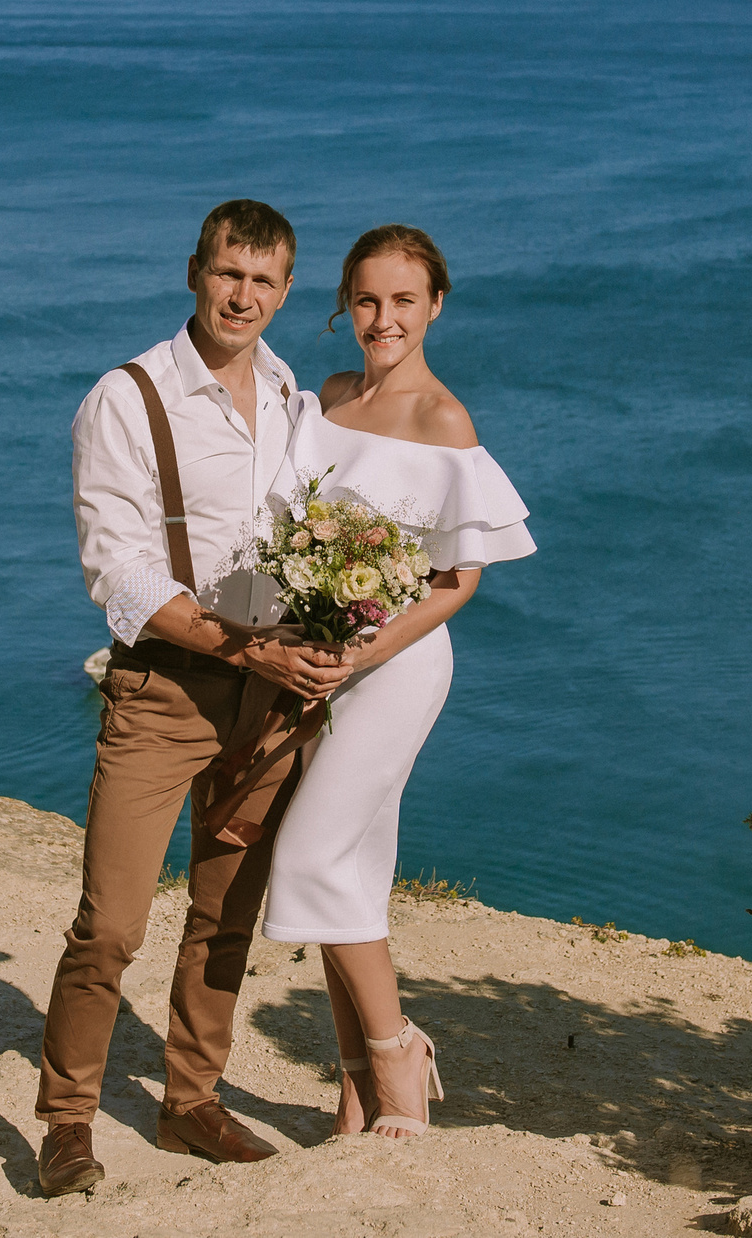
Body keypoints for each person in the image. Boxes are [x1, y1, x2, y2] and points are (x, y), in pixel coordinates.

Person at [34, 199, 350, 1197]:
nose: (242, 296)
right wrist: (251, 652)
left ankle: (189, 1102)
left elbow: (301, 544)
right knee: (112, 923)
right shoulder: (126, 399)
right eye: (227, 274)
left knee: (225, 911)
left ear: (286, 291)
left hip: (270, 699)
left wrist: (327, 639)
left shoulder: (294, 393)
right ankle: (68, 1121)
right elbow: (119, 579)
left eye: (262, 281)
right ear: (193, 272)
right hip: (164, 693)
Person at [260, 223, 535, 1139]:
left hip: (396, 667)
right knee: (356, 878)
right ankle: (354, 1091)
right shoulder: (329, 395)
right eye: (368, 300)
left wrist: (367, 653)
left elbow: (461, 580)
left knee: (309, 859)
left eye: (404, 301)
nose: (384, 319)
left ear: (436, 306)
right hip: (316, 666)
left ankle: (398, 1055)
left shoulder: (442, 420)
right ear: (345, 303)